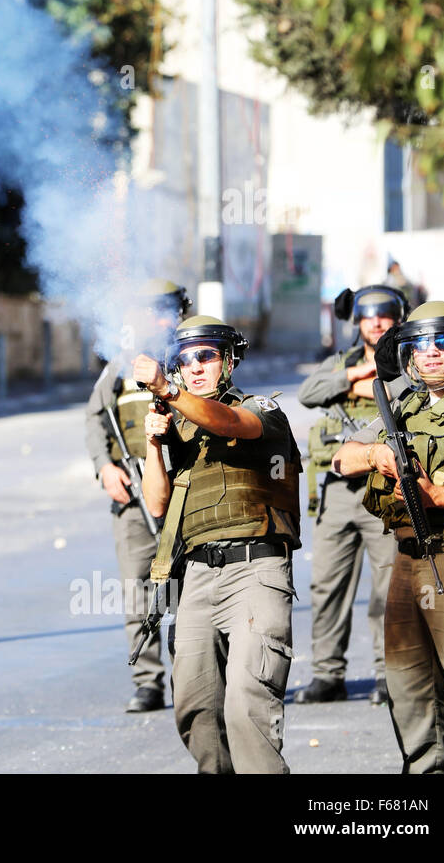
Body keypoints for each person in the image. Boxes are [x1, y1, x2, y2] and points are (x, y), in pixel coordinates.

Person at [137, 316, 303, 773]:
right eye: (184, 360)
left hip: (256, 569)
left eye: (205, 355)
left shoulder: (260, 407)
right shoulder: (178, 428)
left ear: (228, 362)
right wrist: (154, 443)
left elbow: (235, 424)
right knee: (196, 708)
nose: (194, 367)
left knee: (247, 705)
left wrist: (170, 394)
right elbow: (157, 503)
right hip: (197, 575)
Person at [332, 301, 444, 773]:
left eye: (443, 342)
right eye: (421, 344)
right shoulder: (400, 403)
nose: (432, 353)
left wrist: (438, 496)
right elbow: (340, 460)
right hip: (408, 558)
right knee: (408, 681)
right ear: (408, 353)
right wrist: (376, 453)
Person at [295, 286, 408, 705]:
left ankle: (387, 675)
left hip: (384, 488)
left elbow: (409, 393)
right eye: (368, 317)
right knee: (327, 584)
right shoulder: (340, 363)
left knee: (387, 588)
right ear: (356, 322)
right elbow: (309, 392)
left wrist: (371, 383)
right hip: (338, 490)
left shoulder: (407, 360)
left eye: (384, 316)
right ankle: (327, 674)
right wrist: (355, 378)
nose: (376, 323)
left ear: (398, 319)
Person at [83, 279, 191, 712]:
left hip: (182, 492)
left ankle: (193, 678)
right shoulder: (121, 367)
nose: (159, 319)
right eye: (151, 310)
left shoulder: (191, 359)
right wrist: (104, 468)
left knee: (187, 590)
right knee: (138, 592)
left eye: (167, 310)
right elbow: (94, 419)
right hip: (132, 496)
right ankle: (148, 682)